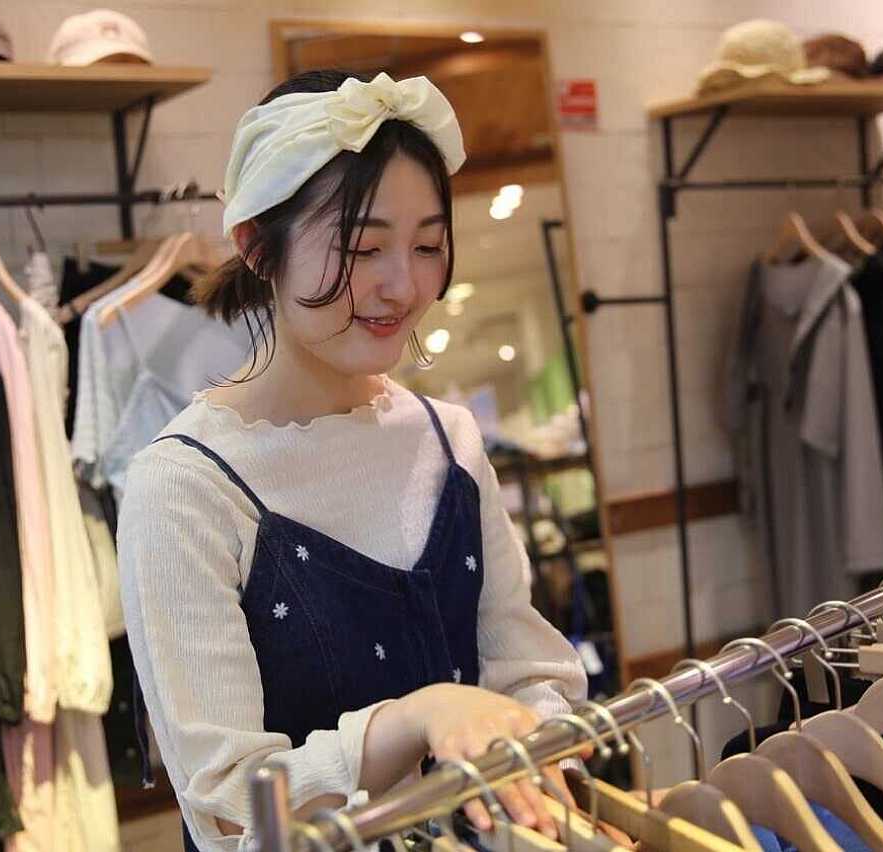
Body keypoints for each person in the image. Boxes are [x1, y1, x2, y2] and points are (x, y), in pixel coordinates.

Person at [118, 69, 587, 852]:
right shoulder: (185, 488)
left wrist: (541, 757)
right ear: (257, 247)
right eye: (364, 248)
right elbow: (228, 806)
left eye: (428, 245)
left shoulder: (449, 439)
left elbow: (527, 671)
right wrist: (414, 719)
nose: (404, 286)